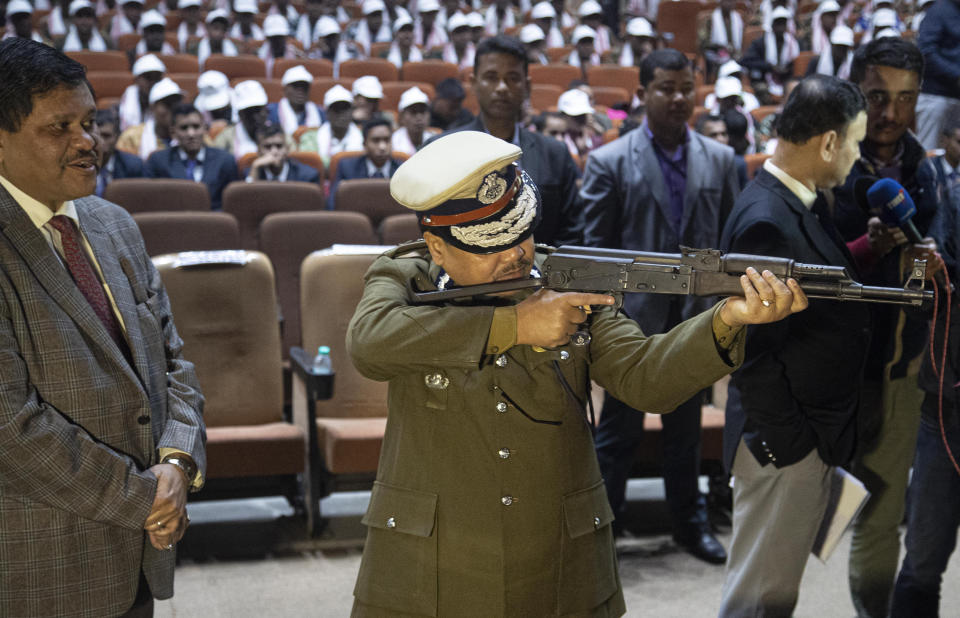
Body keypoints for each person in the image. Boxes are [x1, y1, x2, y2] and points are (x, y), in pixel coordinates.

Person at [347, 129, 807, 617]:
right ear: (436, 247)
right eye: (490, 244)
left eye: (520, 231)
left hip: (556, 561)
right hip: (435, 563)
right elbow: (369, 342)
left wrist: (726, 319)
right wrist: (516, 324)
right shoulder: (403, 277)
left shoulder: (565, 280)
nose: (515, 254)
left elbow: (646, 377)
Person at [0, 38, 204, 617]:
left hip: (139, 553)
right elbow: (10, 427)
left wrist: (178, 464)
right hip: (39, 565)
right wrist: (147, 497)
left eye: (89, 122)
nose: (87, 142)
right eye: (59, 127)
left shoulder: (114, 225)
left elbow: (175, 366)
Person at [718, 74, 871, 617]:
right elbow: (752, 354)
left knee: (772, 598)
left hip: (802, 437)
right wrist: (796, 448)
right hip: (782, 445)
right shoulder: (767, 218)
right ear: (829, 142)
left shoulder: (796, 201)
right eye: (854, 142)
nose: (856, 156)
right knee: (758, 601)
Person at [581, 48, 740, 565]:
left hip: (693, 322)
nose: (678, 98)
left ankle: (689, 526)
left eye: (685, 89)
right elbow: (596, 250)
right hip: (630, 326)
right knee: (618, 436)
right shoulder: (608, 161)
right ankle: (600, 530)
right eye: (666, 88)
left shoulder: (720, 159)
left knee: (684, 436)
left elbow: (730, 242)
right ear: (642, 94)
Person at [829, 38, 945, 618]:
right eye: (878, 96)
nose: (892, 113)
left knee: (880, 518)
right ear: (856, 93)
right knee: (800, 524)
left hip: (901, 369)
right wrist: (863, 249)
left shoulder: (928, 173)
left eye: (906, 99)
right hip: (831, 372)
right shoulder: (825, 165)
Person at [889, 148, 960, 617]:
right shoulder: (949, 194)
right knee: (923, 560)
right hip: (948, 405)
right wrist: (928, 268)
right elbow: (930, 289)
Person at [434, 35, 582, 247]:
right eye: (491, 77)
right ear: (474, 83)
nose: (502, 87)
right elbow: (433, 229)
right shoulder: (442, 151)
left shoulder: (555, 154)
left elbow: (572, 233)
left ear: (527, 86)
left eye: (512, 78)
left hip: (540, 275)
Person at [145, 103, 239, 211]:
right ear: (173, 132)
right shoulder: (158, 161)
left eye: (196, 127)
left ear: (204, 128)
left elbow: (233, 204)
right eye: (184, 128)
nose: (191, 134)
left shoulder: (225, 160)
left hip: (213, 224)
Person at [327, 117, 402, 209]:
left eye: (387, 140)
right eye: (376, 140)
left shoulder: (403, 169)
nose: (382, 147)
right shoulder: (347, 168)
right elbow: (333, 204)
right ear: (364, 144)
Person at [915, 0, 960, 150]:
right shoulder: (939, 11)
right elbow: (926, 51)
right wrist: (956, 75)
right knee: (928, 154)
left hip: (956, 97)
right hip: (937, 96)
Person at [741, 6, 800, 103]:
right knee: (762, 89)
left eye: (783, 23)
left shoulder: (793, 43)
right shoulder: (761, 42)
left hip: (785, 79)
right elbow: (745, 61)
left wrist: (787, 69)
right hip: (764, 78)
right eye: (778, 24)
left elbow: (795, 61)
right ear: (772, 25)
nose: (781, 27)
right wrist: (770, 67)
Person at [117, 76, 183, 160]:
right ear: (152, 108)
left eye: (176, 104)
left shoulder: (191, 135)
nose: (172, 109)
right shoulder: (131, 137)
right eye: (167, 104)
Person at [299, 84, 363, 167]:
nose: (341, 114)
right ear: (327, 113)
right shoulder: (310, 137)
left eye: (345, 109)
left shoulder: (364, 136)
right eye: (336, 109)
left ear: (351, 112)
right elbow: (308, 165)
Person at [210, 79, 269, 159]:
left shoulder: (280, 134)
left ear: (266, 110)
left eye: (258, 110)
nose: (255, 117)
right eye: (249, 112)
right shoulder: (226, 137)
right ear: (240, 114)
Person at [244, 124, 320, 183]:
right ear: (259, 151)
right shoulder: (251, 172)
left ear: (287, 149)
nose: (274, 152)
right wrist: (255, 167)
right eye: (268, 147)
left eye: (279, 146)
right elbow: (244, 201)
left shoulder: (307, 176)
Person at [94, 109, 144, 197]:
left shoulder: (133, 166)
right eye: (97, 136)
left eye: (106, 136)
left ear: (117, 137)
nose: (101, 141)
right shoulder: (79, 165)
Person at [267, 65, 323, 137]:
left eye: (304, 86)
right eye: (295, 86)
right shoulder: (271, 112)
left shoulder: (319, 112)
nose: (300, 91)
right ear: (285, 89)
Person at [119, 54, 166, 132]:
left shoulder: (168, 97)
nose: (152, 82)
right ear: (136, 80)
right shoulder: (130, 95)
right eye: (148, 77)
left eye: (157, 78)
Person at [556, 88, 602, 158]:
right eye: (576, 116)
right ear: (563, 116)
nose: (580, 120)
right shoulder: (557, 140)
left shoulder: (595, 140)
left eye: (583, 115)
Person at [392, 86, 438, 156]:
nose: (419, 117)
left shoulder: (435, 139)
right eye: (413, 112)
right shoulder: (393, 142)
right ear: (402, 117)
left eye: (422, 112)